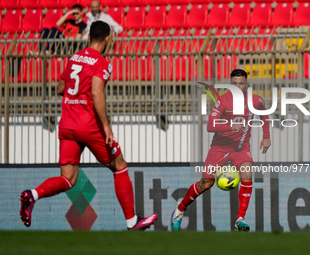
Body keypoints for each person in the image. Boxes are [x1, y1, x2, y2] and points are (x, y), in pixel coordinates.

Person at [20, 21, 157, 231]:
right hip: (89, 125)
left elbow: (60, 88)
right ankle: (132, 222)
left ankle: (33, 194)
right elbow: (96, 91)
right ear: (108, 38)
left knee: (68, 179)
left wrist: (74, 95)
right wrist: (106, 125)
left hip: (67, 124)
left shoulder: (74, 57)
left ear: (89, 36)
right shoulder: (102, 62)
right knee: (119, 166)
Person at [171, 69, 271, 232]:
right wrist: (231, 125)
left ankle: (240, 219)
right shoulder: (223, 101)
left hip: (241, 148)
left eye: (241, 83)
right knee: (206, 183)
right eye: (234, 84)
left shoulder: (255, 101)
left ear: (247, 84)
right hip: (220, 148)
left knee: (247, 174)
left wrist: (266, 136)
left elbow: (264, 114)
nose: (237, 87)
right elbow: (211, 125)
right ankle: (180, 209)